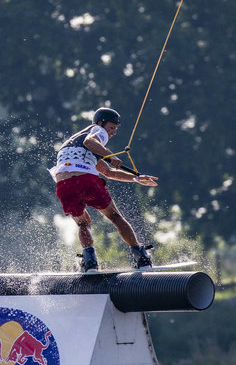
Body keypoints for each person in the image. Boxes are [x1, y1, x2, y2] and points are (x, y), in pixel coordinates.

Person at [50, 107, 159, 272]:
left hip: (64, 186)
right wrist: (112, 155)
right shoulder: (96, 130)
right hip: (86, 181)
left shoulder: (71, 145)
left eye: (116, 129)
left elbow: (108, 172)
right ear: (101, 123)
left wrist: (137, 178)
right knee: (115, 216)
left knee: (82, 223)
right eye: (112, 127)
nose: (113, 132)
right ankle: (141, 257)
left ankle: (90, 262)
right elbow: (90, 142)